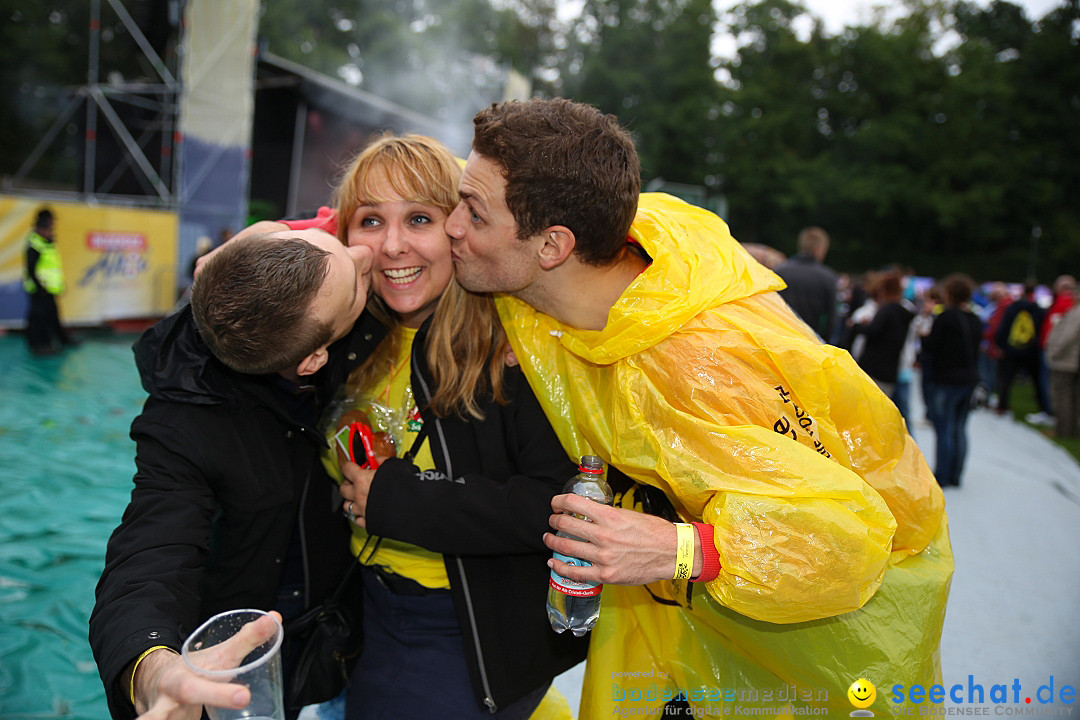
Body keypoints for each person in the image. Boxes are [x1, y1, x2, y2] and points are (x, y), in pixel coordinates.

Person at [444, 98, 950, 717]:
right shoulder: (597, 254)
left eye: (472, 211)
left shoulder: (701, 369)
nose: (450, 226)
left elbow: (848, 539)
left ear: (552, 245)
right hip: (677, 641)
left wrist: (679, 550)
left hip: (803, 668)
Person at [278, 133, 588, 718]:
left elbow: (562, 504)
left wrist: (400, 498)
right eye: (370, 220)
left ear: (459, 231)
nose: (393, 245)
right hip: (354, 613)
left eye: (419, 218)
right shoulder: (337, 342)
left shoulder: (513, 348)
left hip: (461, 632)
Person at [89, 228, 373, 719]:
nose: (366, 252)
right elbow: (150, 554)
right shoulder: (183, 425)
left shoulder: (292, 264)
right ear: (312, 360)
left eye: (324, 235)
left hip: (354, 631)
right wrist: (152, 665)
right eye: (356, 285)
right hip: (258, 655)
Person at [918, 274, 983, 487]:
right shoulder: (974, 319)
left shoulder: (945, 318)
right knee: (960, 428)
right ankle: (956, 475)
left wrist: (924, 338)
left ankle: (943, 475)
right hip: (968, 380)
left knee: (944, 428)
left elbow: (933, 348)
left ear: (949, 294)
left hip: (946, 380)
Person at [22, 207, 77, 354]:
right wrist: (40, 286)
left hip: (48, 288)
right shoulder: (36, 242)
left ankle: (61, 340)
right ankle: (40, 345)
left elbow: (52, 266)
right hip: (39, 288)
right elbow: (31, 268)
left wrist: (58, 284)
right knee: (38, 318)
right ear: (41, 226)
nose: (52, 228)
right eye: (49, 225)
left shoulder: (48, 242)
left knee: (52, 315)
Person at [994, 278, 1049, 420]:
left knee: (1006, 379)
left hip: (1012, 349)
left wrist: (1001, 345)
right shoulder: (1038, 309)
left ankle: (1002, 407)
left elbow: (1003, 327)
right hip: (1031, 350)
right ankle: (1043, 408)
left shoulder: (1012, 308)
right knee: (1037, 381)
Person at [773, 226, 838, 341]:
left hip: (780, 339)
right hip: (810, 341)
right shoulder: (827, 277)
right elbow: (831, 319)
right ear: (819, 249)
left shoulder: (780, 271)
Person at [1045, 284, 1080, 438]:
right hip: (1070, 360)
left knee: (1062, 396)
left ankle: (1063, 430)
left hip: (1066, 361)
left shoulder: (1077, 313)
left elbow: (1068, 336)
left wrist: (1054, 351)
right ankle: (1069, 428)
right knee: (1070, 396)